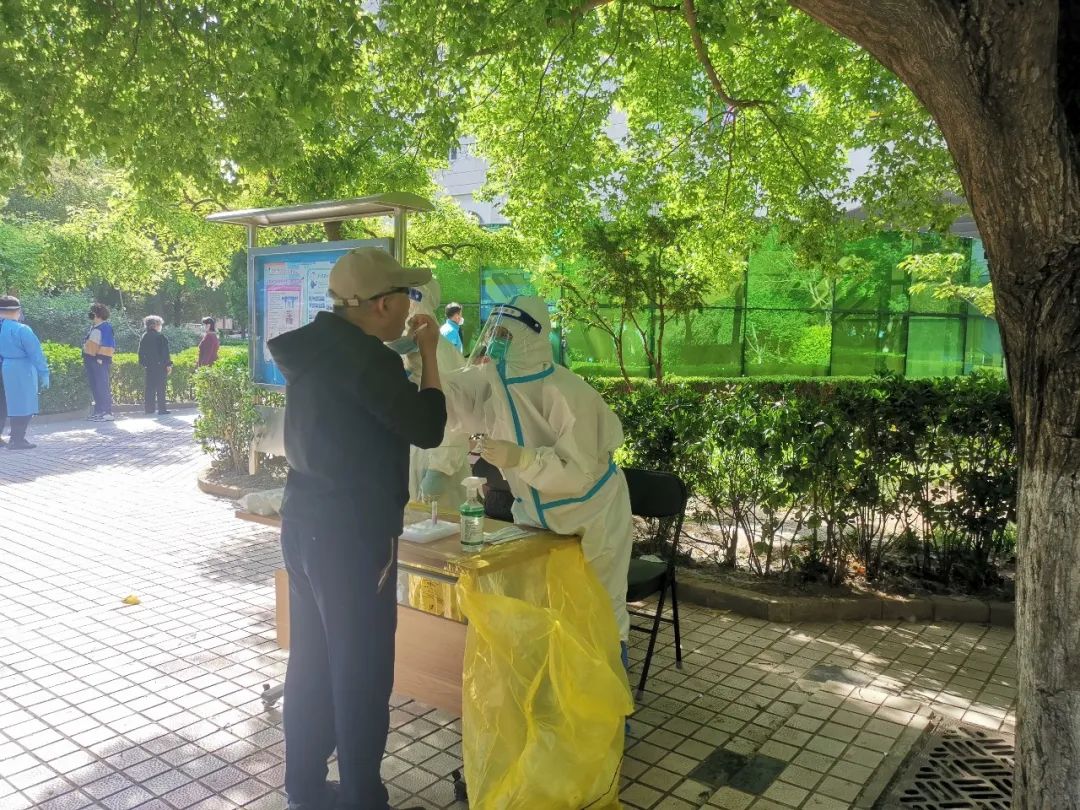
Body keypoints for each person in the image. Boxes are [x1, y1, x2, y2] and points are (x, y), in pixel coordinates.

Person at [267, 247, 445, 810]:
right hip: (355, 537)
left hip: (304, 525)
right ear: (382, 304)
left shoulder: (315, 349)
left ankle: (304, 788)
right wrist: (430, 354)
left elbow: (358, 388)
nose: (411, 306)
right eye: (407, 296)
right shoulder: (369, 362)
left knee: (313, 662)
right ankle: (364, 798)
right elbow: (428, 426)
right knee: (361, 669)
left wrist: (401, 353)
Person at [443, 295, 635, 646]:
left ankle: (609, 679)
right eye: (494, 332)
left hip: (592, 516)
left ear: (529, 338)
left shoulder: (567, 392)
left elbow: (577, 473)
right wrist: (418, 358)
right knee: (543, 615)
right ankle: (553, 680)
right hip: (535, 514)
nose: (495, 342)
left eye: (505, 334)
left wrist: (523, 459)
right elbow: (454, 398)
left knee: (599, 616)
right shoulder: (496, 383)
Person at [400, 280, 470, 509]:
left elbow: (455, 412)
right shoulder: (403, 346)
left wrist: (440, 469)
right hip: (411, 457)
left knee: (440, 525)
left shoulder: (441, 351)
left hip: (437, 465)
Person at [0, 296, 50, 450]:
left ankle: (10, 438)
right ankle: (17, 439)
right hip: (22, 369)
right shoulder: (22, 329)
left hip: (5, 366)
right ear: (18, 311)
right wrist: (44, 373)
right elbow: (36, 353)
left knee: (6, 404)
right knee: (24, 404)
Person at [83, 302, 116, 421]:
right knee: (95, 386)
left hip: (99, 360)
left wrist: (101, 358)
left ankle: (107, 412)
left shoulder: (106, 327)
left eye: (92, 313)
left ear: (98, 314)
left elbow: (109, 344)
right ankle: (99, 411)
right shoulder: (95, 327)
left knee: (102, 386)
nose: (90, 315)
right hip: (91, 360)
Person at [138, 316, 173, 415]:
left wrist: (145, 363)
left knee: (150, 387)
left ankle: (149, 409)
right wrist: (168, 364)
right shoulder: (160, 337)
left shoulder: (144, 336)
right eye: (160, 324)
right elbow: (165, 353)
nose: (161, 326)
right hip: (160, 366)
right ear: (156, 325)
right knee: (161, 388)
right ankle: (162, 409)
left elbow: (141, 352)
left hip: (149, 366)